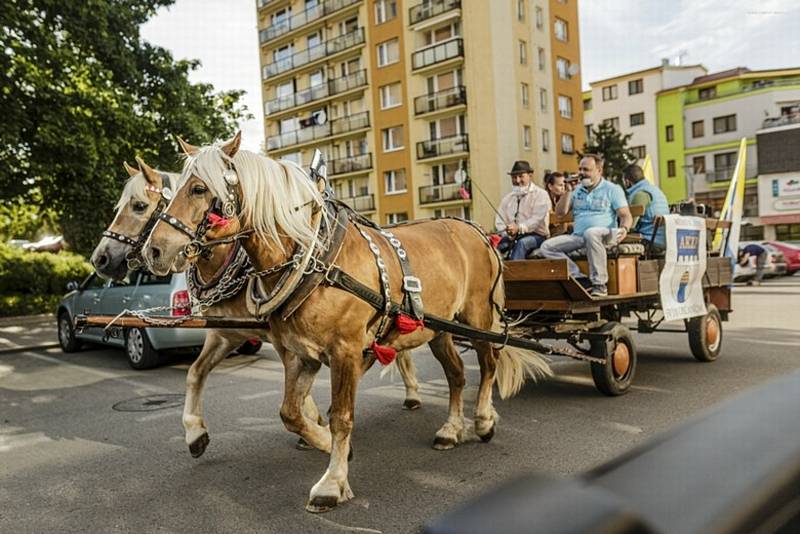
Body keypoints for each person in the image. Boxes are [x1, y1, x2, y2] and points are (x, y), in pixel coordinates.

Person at [539, 154, 633, 297]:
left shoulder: (612, 189)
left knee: (591, 233)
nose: (581, 173)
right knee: (547, 246)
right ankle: (580, 279)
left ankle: (599, 284)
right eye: (580, 169)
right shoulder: (577, 191)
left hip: (605, 234)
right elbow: (559, 213)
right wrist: (568, 191)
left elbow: (626, 215)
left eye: (586, 170)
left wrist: (625, 228)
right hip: (580, 236)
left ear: (599, 171)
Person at [495, 160, 551, 260]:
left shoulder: (541, 194)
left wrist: (518, 228)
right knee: (498, 247)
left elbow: (536, 220)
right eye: (514, 177)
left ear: (530, 176)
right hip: (513, 236)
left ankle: (514, 274)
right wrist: (507, 232)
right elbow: (499, 221)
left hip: (537, 236)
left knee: (522, 244)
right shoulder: (507, 199)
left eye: (521, 176)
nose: (517, 180)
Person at [622, 164, 669, 250]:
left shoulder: (640, 194)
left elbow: (631, 226)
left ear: (627, 182)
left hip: (650, 240)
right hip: (663, 239)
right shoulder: (655, 190)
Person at [544, 171, 572, 237]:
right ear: (550, 186)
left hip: (562, 233)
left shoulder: (562, 197)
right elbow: (553, 218)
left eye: (564, 185)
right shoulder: (544, 198)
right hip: (548, 234)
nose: (563, 188)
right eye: (560, 185)